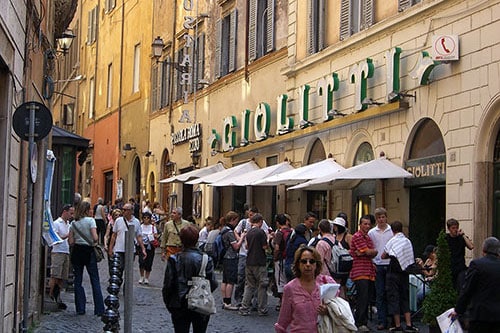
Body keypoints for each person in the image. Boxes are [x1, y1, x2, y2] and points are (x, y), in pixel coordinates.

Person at [162, 224, 218, 333]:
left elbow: (168, 285)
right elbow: (213, 283)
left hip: (179, 302)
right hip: (200, 301)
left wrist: (169, 303)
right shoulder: (206, 259)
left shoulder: (174, 259)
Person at [274, 246, 335, 333]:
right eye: (303, 261)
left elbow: (339, 310)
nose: (308, 264)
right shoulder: (290, 288)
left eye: (312, 261)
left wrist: (328, 310)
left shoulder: (327, 283)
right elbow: (283, 321)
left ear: (316, 264)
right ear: (298, 264)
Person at [450, 237, 500, 333]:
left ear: (483, 249)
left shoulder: (477, 265)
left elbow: (467, 290)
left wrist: (458, 310)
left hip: (480, 315)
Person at [381, 221, 419, 332]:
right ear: (402, 229)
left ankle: (397, 325)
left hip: (392, 273)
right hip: (404, 273)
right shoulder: (407, 241)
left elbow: (383, 255)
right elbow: (409, 256)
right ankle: (408, 323)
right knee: (404, 297)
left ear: (392, 230)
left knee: (394, 298)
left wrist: (391, 255)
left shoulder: (392, 241)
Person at [68, 201, 105, 316]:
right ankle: (99, 309)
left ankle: (80, 308)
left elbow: (71, 241)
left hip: (77, 252)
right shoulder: (90, 221)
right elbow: (95, 238)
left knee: (78, 281)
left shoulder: (73, 223)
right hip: (89, 252)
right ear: (87, 210)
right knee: (95, 280)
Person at [234, 206, 269, 306]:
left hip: (250, 255)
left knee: (249, 283)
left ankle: (247, 304)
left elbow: (248, 245)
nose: (251, 217)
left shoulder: (260, 227)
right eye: (250, 215)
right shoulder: (243, 223)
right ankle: (243, 300)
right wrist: (240, 239)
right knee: (244, 278)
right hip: (248, 255)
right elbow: (264, 246)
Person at [350, 215, 378, 332]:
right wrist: (368, 252)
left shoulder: (367, 238)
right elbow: (368, 251)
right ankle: (360, 322)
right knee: (362, 298)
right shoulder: (357, 236)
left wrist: (369, 252)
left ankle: (364, 321)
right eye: (364, 224)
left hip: (369, 271)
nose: (367, 226)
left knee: (366, 298)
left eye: (368, 224)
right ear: (360, 225)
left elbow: (371, 252)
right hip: (360, 271)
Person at [368, 207, 393, 330]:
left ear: (386, 217)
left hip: (390, 264)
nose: (381, 219)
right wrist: (372, 261)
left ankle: (392, 319)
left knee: (391, 293)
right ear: (376, 219)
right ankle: (382, 320)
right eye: (379, 217)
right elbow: (370, 246)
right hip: (377, 264)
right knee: (380, 293)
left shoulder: (391, 230)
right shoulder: (372, 233)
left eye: (383, 217)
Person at [49, 204, 74, 310]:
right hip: (58, 251)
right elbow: (55, 237)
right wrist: (68, 235)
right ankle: (50, 295)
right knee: (55, 275)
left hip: (66, 251)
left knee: (62, 277)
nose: (72, 215)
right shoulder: (56, 223)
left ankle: (57, 296)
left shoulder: (68, 224)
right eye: (70, 213)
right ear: (65, 212)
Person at [108, 203, 147, 271]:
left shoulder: (136, 222)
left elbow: (139, 236)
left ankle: (127, 282)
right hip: (119, 249)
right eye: (123, 209)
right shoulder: (118, 221)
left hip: (131, 250)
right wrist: (111, 248)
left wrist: (143, 248)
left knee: (128, 269)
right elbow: (114, 235)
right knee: (119, 268)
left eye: (125, 210)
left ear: (131, 211)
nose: (123, 211)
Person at [220, 211, 245, 310]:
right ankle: (228, 302)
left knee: (224, 280)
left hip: (225, 257)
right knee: (230, 281)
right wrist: (242, 237)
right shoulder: (229, 232)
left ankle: (224, 300)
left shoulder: (223, 230)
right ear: (232, 220)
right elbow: (236, 246)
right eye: (236, 221)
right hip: (231, 257)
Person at [445, 218, 474, 291]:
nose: (455, 230)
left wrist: (463, 235)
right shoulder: (446, 238)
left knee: (460, 286)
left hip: (460, 267)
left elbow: (471, 246)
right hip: (450, 267)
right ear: (449, 229)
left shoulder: (461, 238)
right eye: (453, 228)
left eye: (456, 228)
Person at [272, 213, 292, 311]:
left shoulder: (279, 233)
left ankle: (284, 304)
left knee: (281, 282)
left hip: (281, 259)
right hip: (290, 259)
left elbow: (276, 247)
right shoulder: (292, 232)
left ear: (277, 223)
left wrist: (275, 257)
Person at [331, 216, 352, 299]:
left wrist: (344, 252)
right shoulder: (334, 237)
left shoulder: (348, 237)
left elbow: (353, 249)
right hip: (336, 266)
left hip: (346, 265)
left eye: (336, 226)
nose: (334, 228)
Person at [138, 211, 158, 284]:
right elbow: (137, 235)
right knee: (141, 261)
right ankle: (141, 276)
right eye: (144, 218)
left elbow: (156, 236)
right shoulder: (140, 226)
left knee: (149, 262)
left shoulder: (153, 227)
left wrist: (153, 236)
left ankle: (146, 277)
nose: (146, 219)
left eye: (148, 218)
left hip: (150, 246)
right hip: (142, 245)